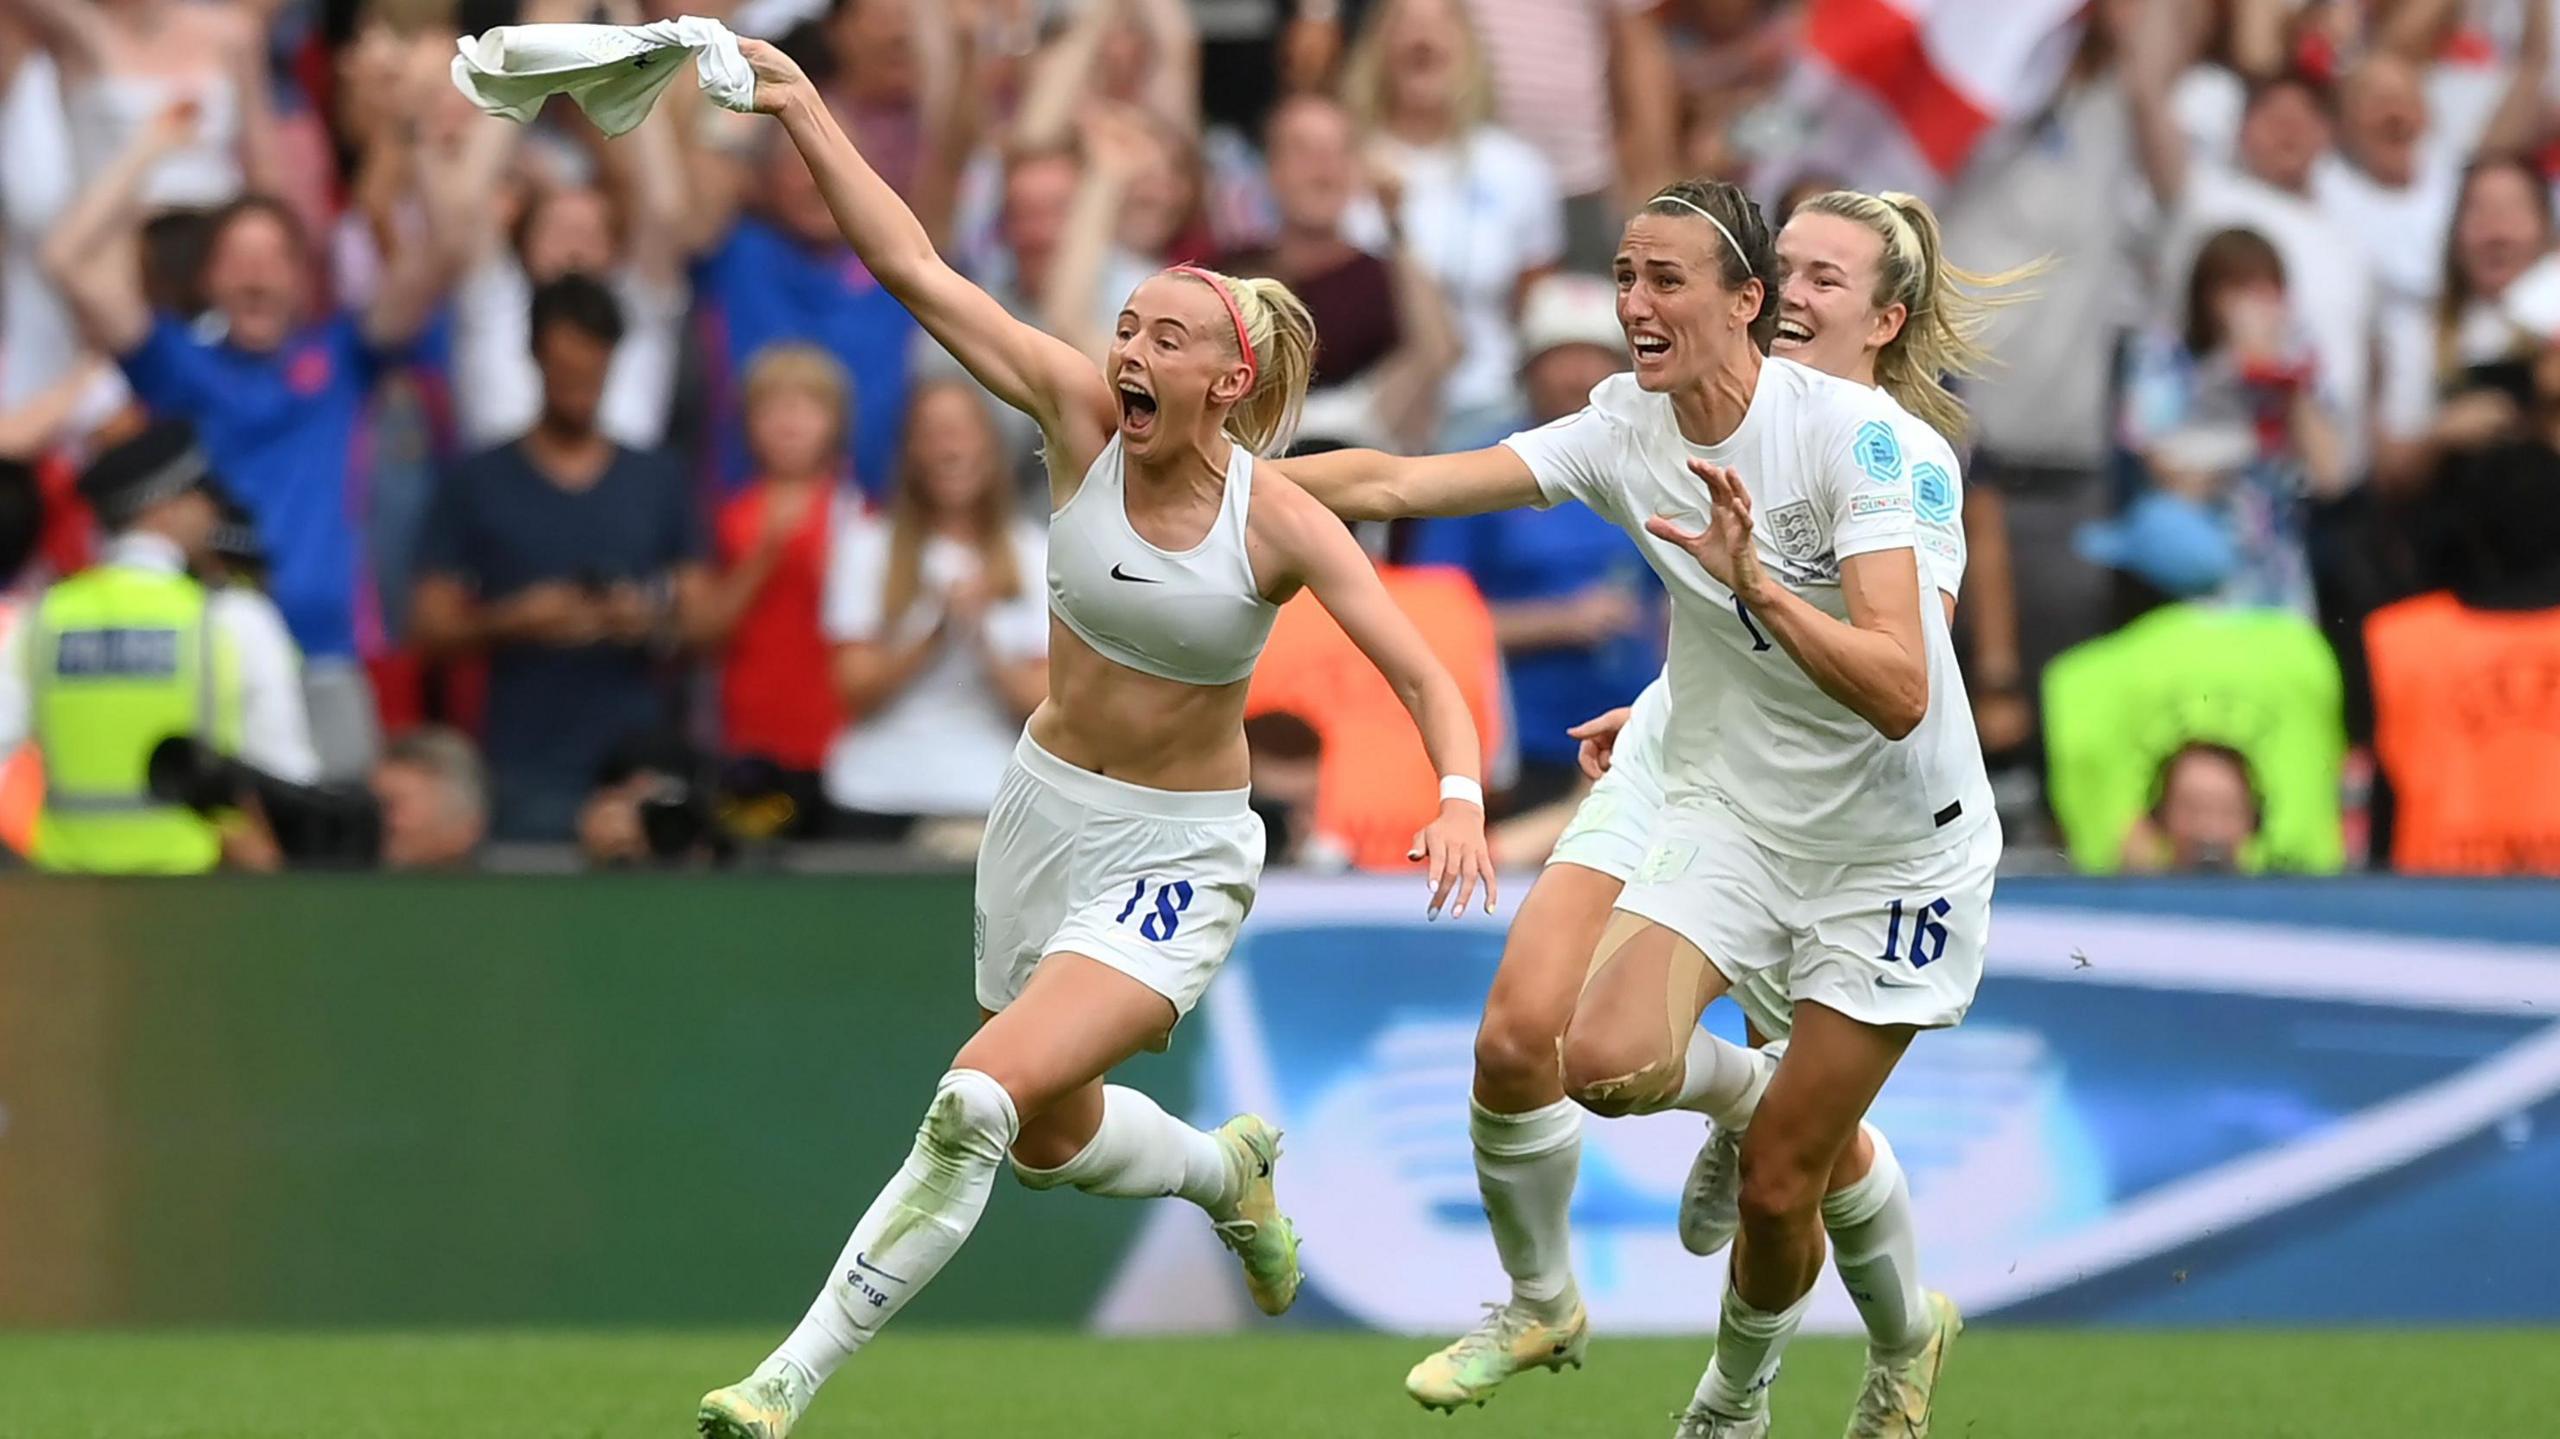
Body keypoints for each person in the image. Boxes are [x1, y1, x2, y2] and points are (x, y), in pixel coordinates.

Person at [696, 40, 1496, 1439]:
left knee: (974, 1099)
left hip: (1179, 849)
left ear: (1231, 379)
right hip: (1043, 812)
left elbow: (1424, 670)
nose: (1129, 349)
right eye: (1126, 324)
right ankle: (1220, 1173)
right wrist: (807, 108)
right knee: (1052, 1136)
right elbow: (921, 272)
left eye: (1165, 335)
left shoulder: (1281, 518)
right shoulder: (1077, 418)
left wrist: (1461, 789)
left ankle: (785, 1381)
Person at [1274, 178, 2000, 1439]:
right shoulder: (1625, 423)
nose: (1634, 305)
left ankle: (1743, 1397)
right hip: (1736, 814)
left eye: (1663, 280)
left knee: (1784, 1182)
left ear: (1747, 300)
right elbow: (1399, 480)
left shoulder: (1876, 448)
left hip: (1893, 859)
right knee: (1599, 1064)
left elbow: (1897, 691)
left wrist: (1760, 591)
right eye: (1624, 278)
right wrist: (1221, 476)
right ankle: (1734, 1109)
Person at [45, 96, 462, 782]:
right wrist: (151, 148)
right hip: (213, 658)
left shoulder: (343, 358)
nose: (257, 274)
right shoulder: (178, 364)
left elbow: (445, 251)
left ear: (302, 279)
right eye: (238, 259)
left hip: (328, 658)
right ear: (208, 279)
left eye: (274, 258)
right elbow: (65, 260)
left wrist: (414, 134)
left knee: (341, 859)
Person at [409, 275, 711, 843]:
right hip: (521, 762)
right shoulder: (479, 481)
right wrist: (516, 620)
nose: (580, 387)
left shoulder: (657, 478)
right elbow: (427, 624)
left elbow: (704, 616)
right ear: (535, 358)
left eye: (593, 373)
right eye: (566, 371)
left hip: (636, 761)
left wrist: (644, 617)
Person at [0, 420, 317, 873]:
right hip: (197, 889)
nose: (212, 511)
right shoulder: (232, 618)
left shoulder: (46, 617)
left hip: (68, 894)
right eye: (200, 496)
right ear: (165, 510)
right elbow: (288, 778)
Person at [820, 377, 1047, 835]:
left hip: (989, 792)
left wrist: (980, 636)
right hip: (877, 791)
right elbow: (853, 690)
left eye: (962, 429)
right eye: (933, 431)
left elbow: (1046, 705)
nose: (949, 446)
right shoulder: (867, 547)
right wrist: (935, 631)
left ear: (989, 443)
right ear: (911, 450)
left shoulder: (1035, 552)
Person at [701, 344, 858, 814]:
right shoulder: (728, 516)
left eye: (809, 405)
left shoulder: (859, 517)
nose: (790, 421)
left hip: (836, 732)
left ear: (837, 422)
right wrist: (764, 554)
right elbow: (708, 627)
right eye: (772, 407)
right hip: (749, 730)